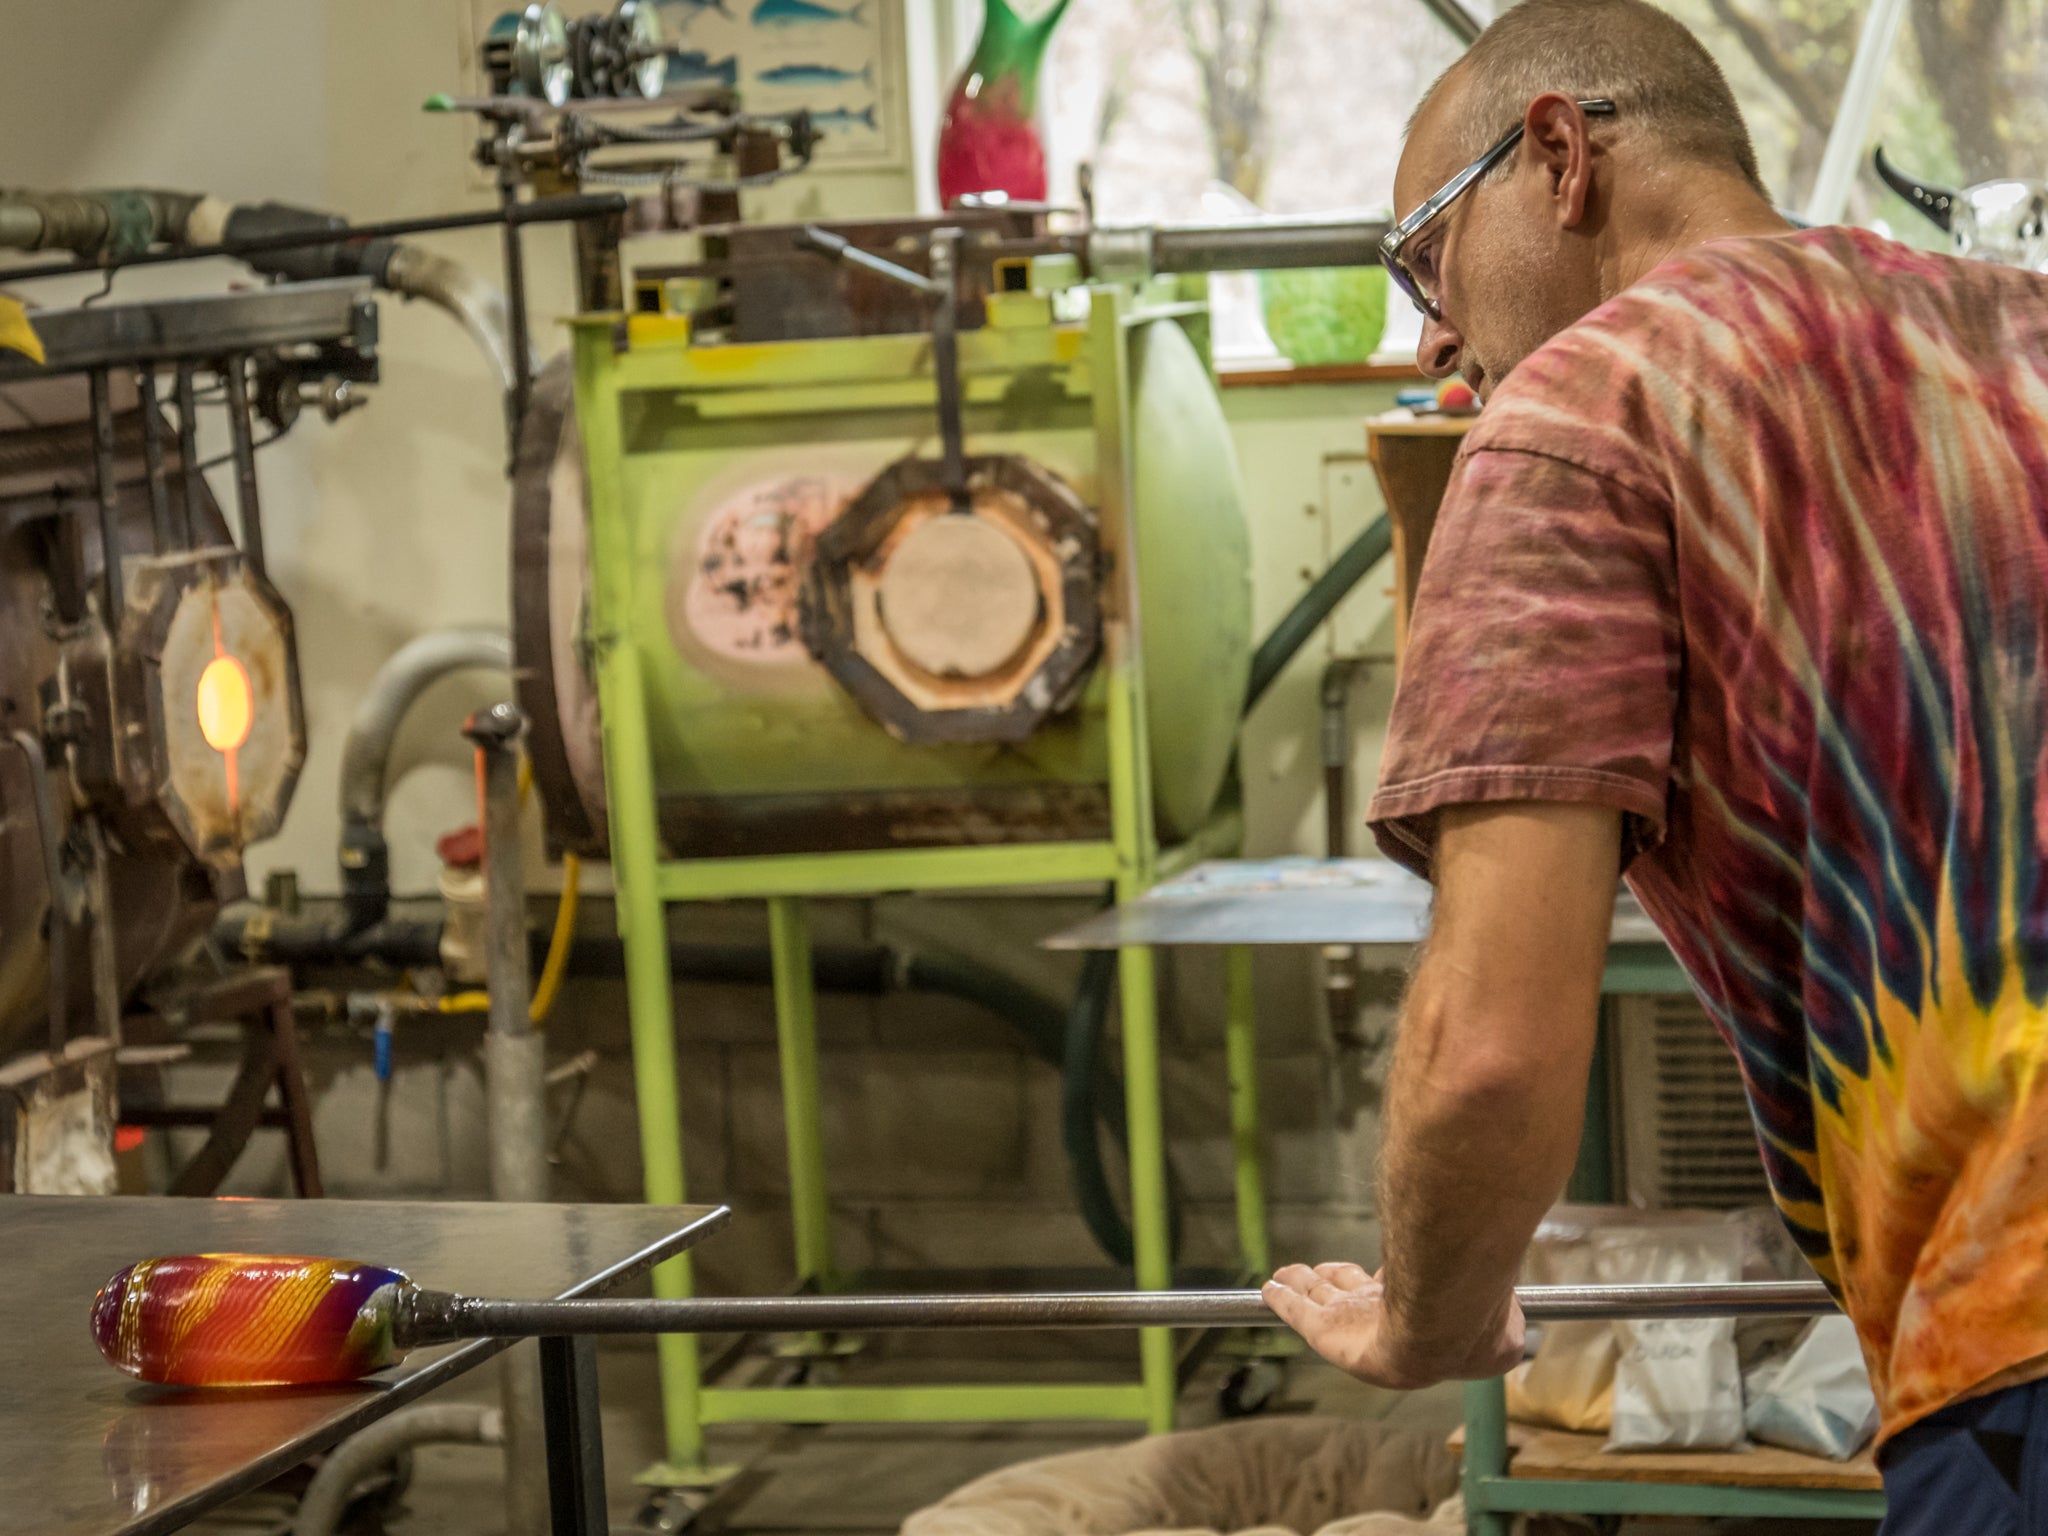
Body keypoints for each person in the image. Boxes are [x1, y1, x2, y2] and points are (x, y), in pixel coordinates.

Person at [1256, 1, 2048, 1528]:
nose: (1429, 331)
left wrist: (1428, 1316)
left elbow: (1490, 1045)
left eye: (1425, 254)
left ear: (1555, 154)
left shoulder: (1578, 421)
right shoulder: (2021, 332)